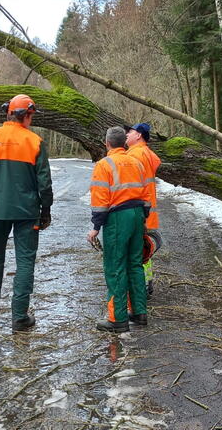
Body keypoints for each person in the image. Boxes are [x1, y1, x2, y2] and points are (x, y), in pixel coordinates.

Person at [0, 94, 53, 332]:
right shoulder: (35, 142)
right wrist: (45, 209)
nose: (31, 120)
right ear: (25, 115)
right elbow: (45, 183)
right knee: (25, 260)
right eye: (30, 116)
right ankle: (19, 316)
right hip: (27, 211)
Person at [87, 126, 151, 333]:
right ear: (124, 143)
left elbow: (100, 199)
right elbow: (147, 192)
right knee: (135, 264)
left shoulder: (104, 165)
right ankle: (139, 312)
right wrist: (143, 218)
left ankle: (118, 319)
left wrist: (96, 226)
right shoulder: (137, 162)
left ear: (106, 143)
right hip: (137, 215)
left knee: (115, 266)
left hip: (117, 218)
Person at [125, 123, 161, 297]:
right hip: (147, 211)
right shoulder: (148, 154)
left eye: (130, 132)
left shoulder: (135, 154)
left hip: (138, 211)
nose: (126, 135)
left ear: (138, 135)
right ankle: (146, 282)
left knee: (137, 251)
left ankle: (141, 287)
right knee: (143, 250)